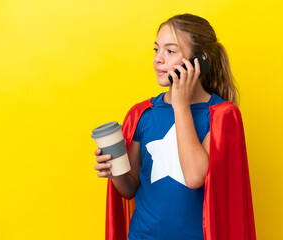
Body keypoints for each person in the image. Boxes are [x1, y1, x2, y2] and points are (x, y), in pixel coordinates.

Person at [94, 13, 256, 240]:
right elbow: (130, 188)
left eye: (170, 51)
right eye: (156, 49)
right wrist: (115, 172)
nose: (158, 59)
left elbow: (194, 177)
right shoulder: (143, 114)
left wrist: (181, 105)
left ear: (200, 60)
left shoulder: (221, 116)